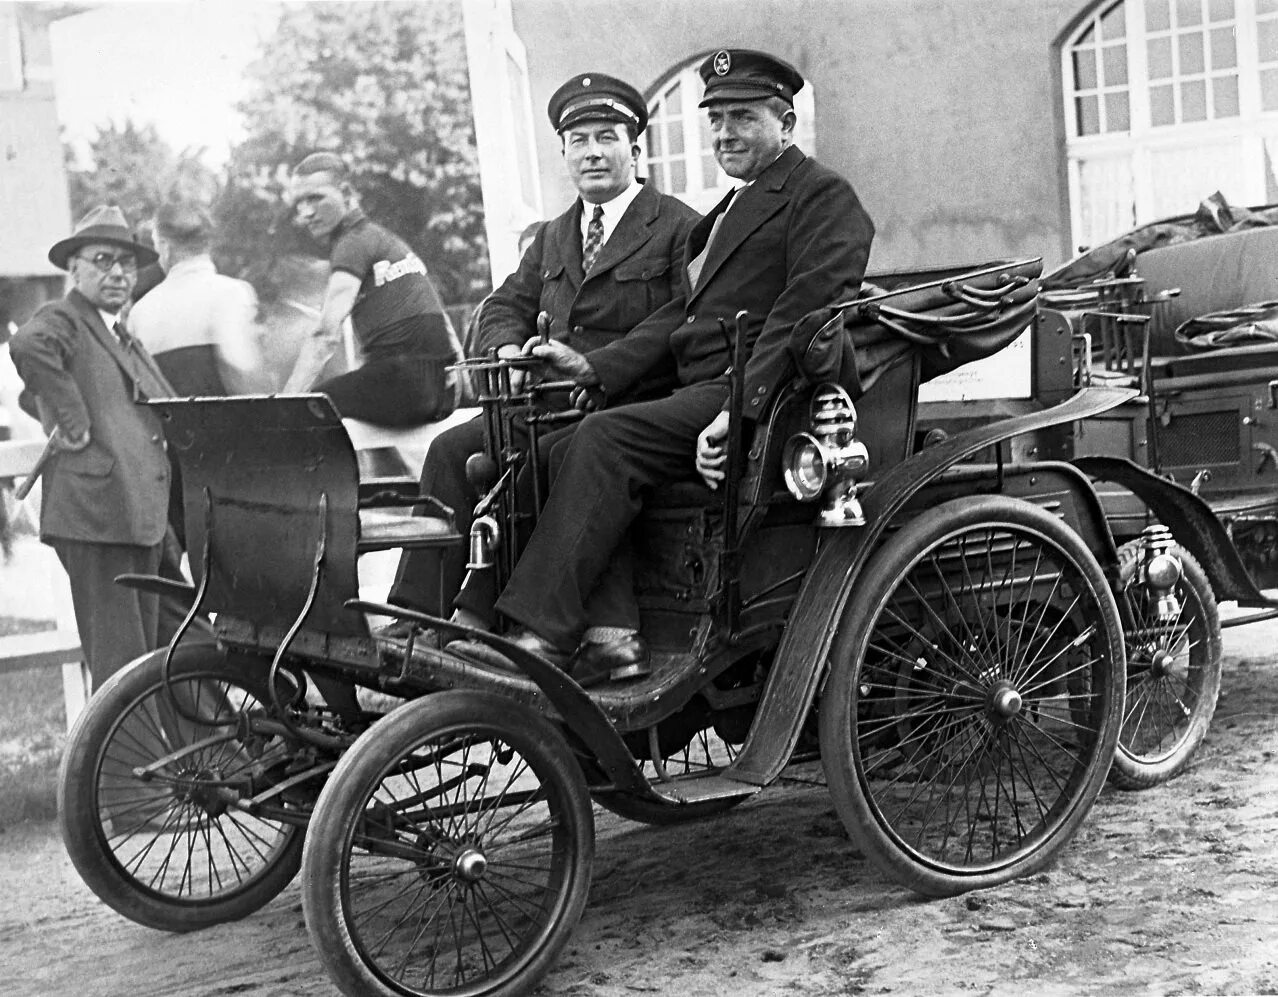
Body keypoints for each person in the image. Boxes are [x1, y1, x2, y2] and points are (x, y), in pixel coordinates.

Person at [466, 49, 876, 682]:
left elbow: (804, 316)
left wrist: (733, 411)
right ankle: (606, 639)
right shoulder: (728, 211)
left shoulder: (822, 197)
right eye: (715, 119)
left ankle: (542, 634)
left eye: (742, 118)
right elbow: (680, 318)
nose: (724, 134)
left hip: (766, 394)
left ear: (786, 124)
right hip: (707, 387)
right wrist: (596, 369)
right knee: (556, 447)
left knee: (603, 438)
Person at [381, 71, 700, 642]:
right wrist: (504, 344)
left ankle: (483, 618)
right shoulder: (554, 235)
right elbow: (503, 303)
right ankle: (419, 616)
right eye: (579, 141)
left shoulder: (680, 227)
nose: (593, 152)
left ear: (635, 147)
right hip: (545, 402)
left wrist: (600, 367)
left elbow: (682, 319)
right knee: (449, 449)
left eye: (607, 136)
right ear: (564, 153)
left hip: (624, 401)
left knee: (535, 456)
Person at [8, 206, 178, 688]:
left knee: (183, 650)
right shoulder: (63, 318)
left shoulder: (118, 332)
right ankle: (125, 765)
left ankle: (219, 756)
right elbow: (29, 345)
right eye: (103, 260)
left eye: (127, 263)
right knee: (124, 666)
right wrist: (71, 416)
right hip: (101, 517)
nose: (119, 272)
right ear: (74, 268)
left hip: (144, 516)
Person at [283, 152, 461, 427]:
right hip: (440, 389)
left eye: (315, 198)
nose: (306, 213)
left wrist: (283, 402)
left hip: (408, 387)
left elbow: (325, 336)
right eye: (300, 203)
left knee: (311, 406)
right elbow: (441, 318)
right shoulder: (382, 238)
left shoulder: (352, 244)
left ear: (345, 192)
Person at [128, 201, 266, 397]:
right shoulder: (232, 293)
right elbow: (242, 369)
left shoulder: (139, 312)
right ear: (208, 243)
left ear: (165, 248)